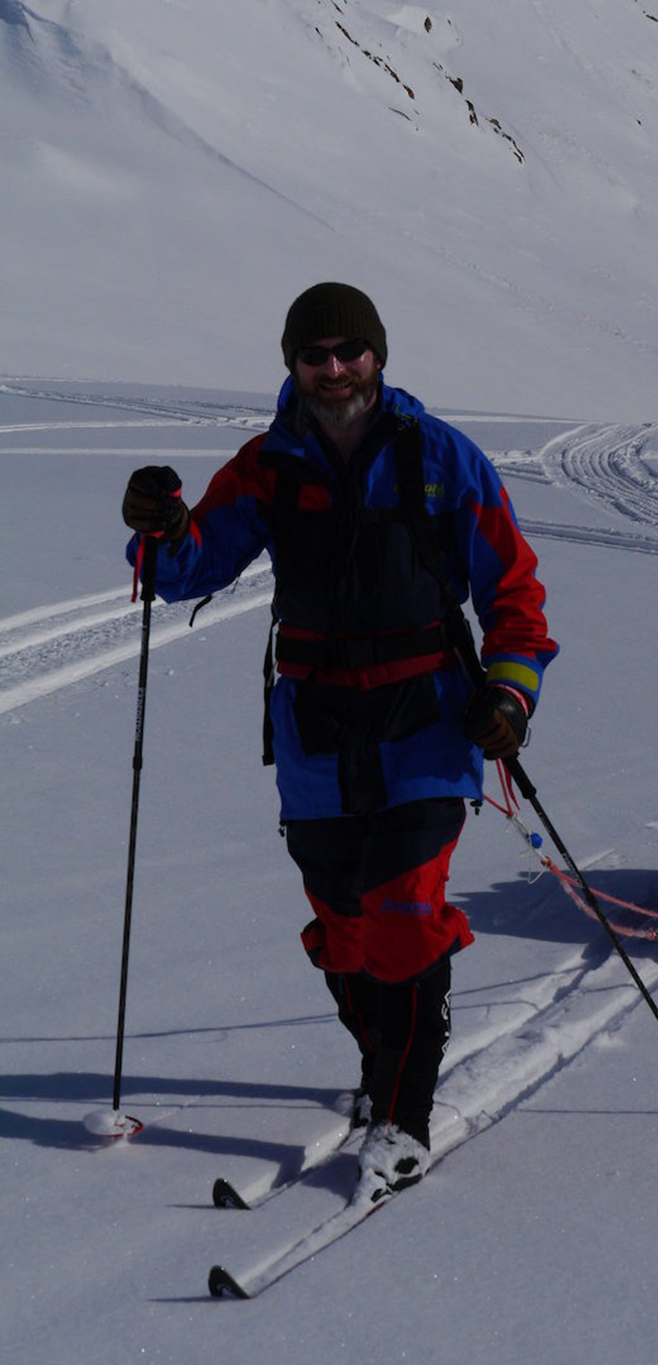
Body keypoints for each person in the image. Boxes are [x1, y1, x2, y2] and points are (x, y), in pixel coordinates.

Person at [122, 283, 558, 1195]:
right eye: (313, 355)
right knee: (344, 927)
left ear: (378, 355)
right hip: (316, 730)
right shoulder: (270, 465)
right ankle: (380, 1064)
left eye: (348, 352)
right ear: (292, 364)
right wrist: (161, 529)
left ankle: (404, 1119)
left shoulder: (441, 455)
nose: (333, 370)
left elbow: (514, 591)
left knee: (403, 915)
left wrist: (510, 696)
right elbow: (191, 565)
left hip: (429, 722)